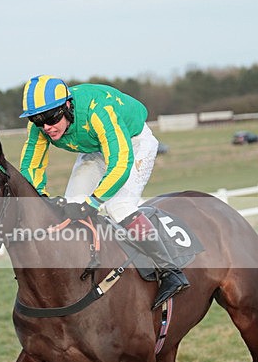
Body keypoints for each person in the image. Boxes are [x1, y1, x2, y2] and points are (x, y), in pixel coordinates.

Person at [19, 75, 189, 307]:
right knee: (71, 206)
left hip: (133, 143)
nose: (46, 126)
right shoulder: (41, 125)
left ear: (67, 105)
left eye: (51, 117)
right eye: (37, 120)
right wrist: (38, 199)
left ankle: (171, 271)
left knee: (117, 206)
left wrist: (95, 201)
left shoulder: (99, 109)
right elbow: (31, 165)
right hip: (95, 149)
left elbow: (120, 162)